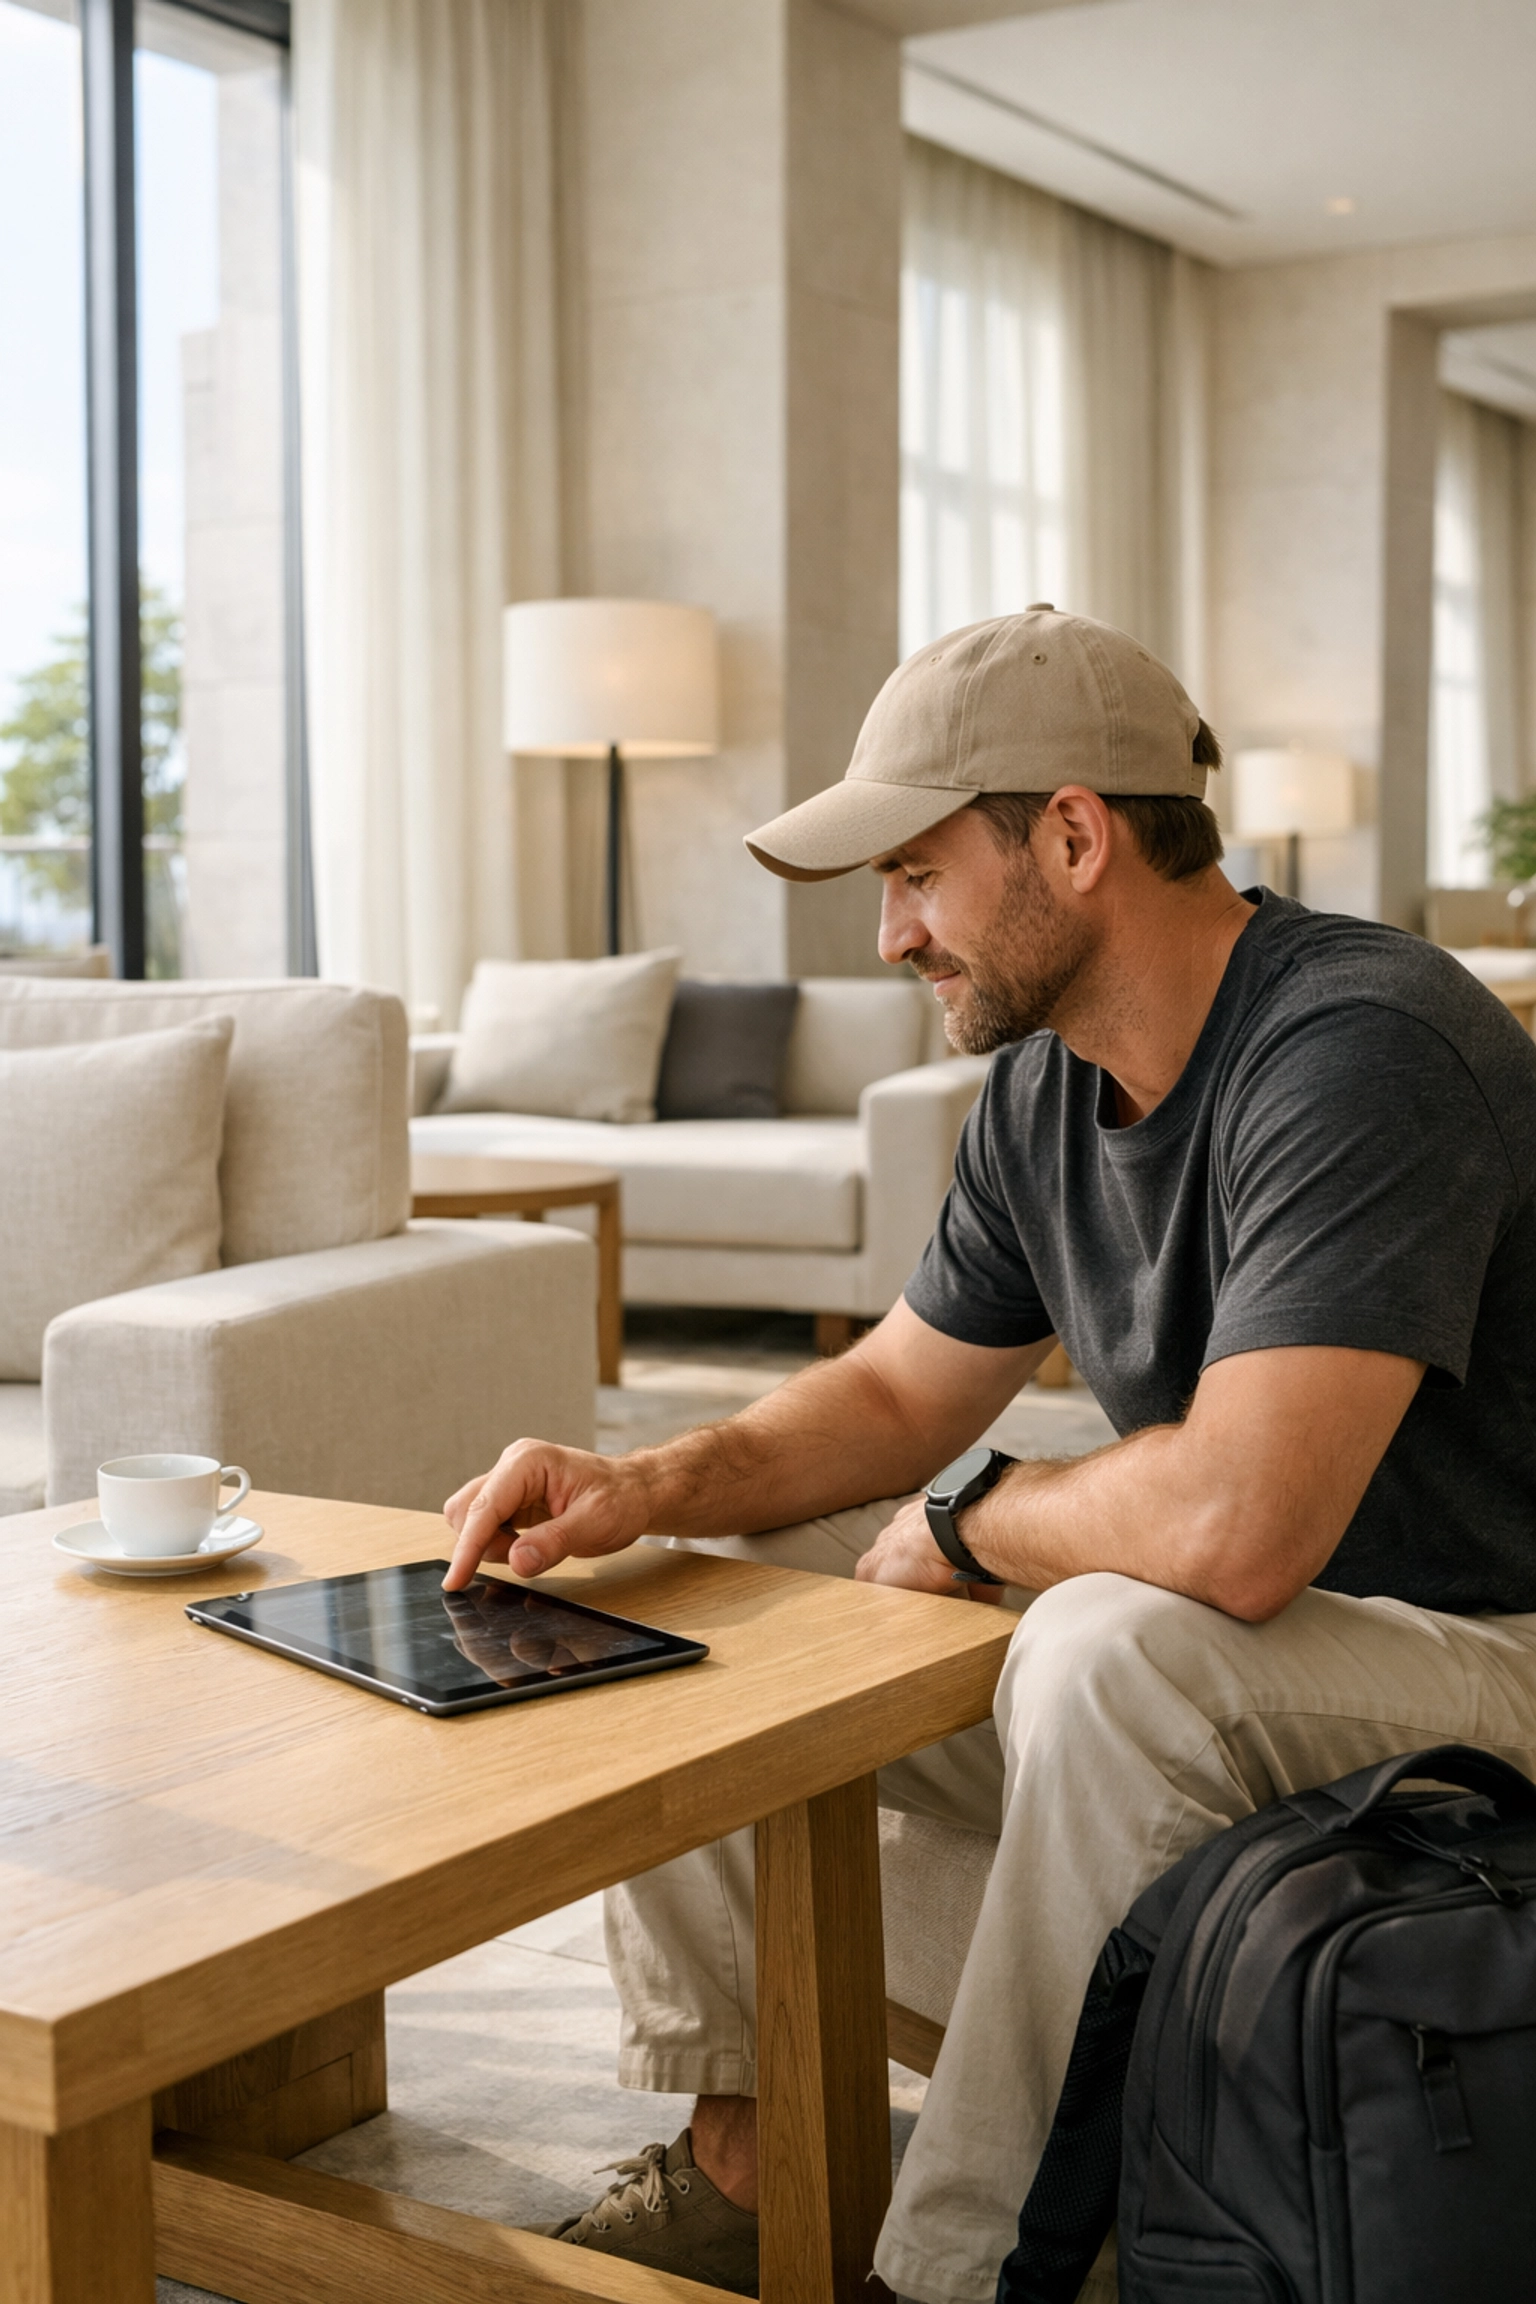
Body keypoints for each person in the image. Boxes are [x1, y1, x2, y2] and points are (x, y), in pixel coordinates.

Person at [442, 607, 1536, 2304]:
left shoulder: (1362, 1048)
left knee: (1111, 1638)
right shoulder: (1045, 1091)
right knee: (694, 1594)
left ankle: (956, 2273)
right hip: (1281, 1652)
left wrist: (986, 1519)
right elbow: (888, 1402)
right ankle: (753, 2158)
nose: (888, 935)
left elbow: (1243, 1523)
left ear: (1078, 836)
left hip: (1490, 1662)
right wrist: (640, 1488)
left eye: (918, 874)